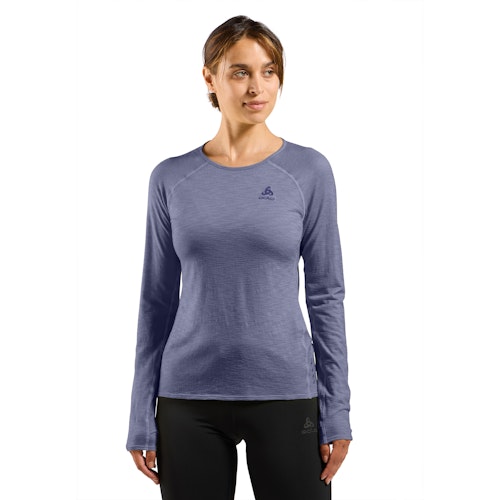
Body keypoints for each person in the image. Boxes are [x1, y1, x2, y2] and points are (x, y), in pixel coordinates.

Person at [126, 15, 353, 500]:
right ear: (209, 78)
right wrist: (140, 412)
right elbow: (156, 303)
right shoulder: (171, 178)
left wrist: (337, 410)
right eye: (240, 72)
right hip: (188, 398)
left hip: (287, 392)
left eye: (269, 71)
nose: (257, 87)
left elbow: (326, 296)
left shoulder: (309, 171)